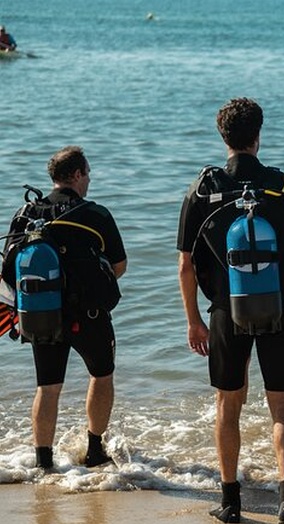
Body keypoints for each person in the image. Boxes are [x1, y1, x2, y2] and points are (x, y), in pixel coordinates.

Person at [177, 98, 284, 524]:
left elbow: (185, 265)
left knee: (227, 406)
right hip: (278, 312)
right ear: (259, 135)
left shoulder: (202, 190)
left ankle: (231, 501)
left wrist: (194, 320)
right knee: (283, 410)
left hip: (224, 313)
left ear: (223, 138)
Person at [1, 146, 126, 470]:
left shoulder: (26, 214)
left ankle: (43, 461)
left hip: (40, 315)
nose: (89, 179)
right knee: (101, 375)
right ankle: (95, 450)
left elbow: (8, 269)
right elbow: (119, 265)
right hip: (88, 316)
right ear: (76, 175)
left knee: (47, 385)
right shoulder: (94, 214)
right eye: (87, 173)